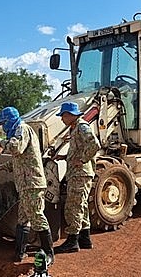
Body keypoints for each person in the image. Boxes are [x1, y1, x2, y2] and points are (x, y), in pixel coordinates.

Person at [0, 106, 54, 265]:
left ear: (9, 121)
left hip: (32, 184)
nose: (2, 127)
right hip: (24, 185)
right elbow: (17, 162)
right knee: (23, 219)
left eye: (3, 123)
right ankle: (20, 252)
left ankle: (48, 253)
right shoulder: (18, 132)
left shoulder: (22, 129)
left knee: (37, 216)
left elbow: (16, 149)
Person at [53, 102, 101, 253]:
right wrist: (65, 156)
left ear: (69, 115)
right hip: (78, 173)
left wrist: (82, 160)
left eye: (63, 116)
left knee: (73, 206)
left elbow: (95, 144)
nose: (62, 119)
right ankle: (84, 239)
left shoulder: (82, 126)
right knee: (82, 205)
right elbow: (78, 149)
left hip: (80, 174)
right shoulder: (76, 128)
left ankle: (72, 241)